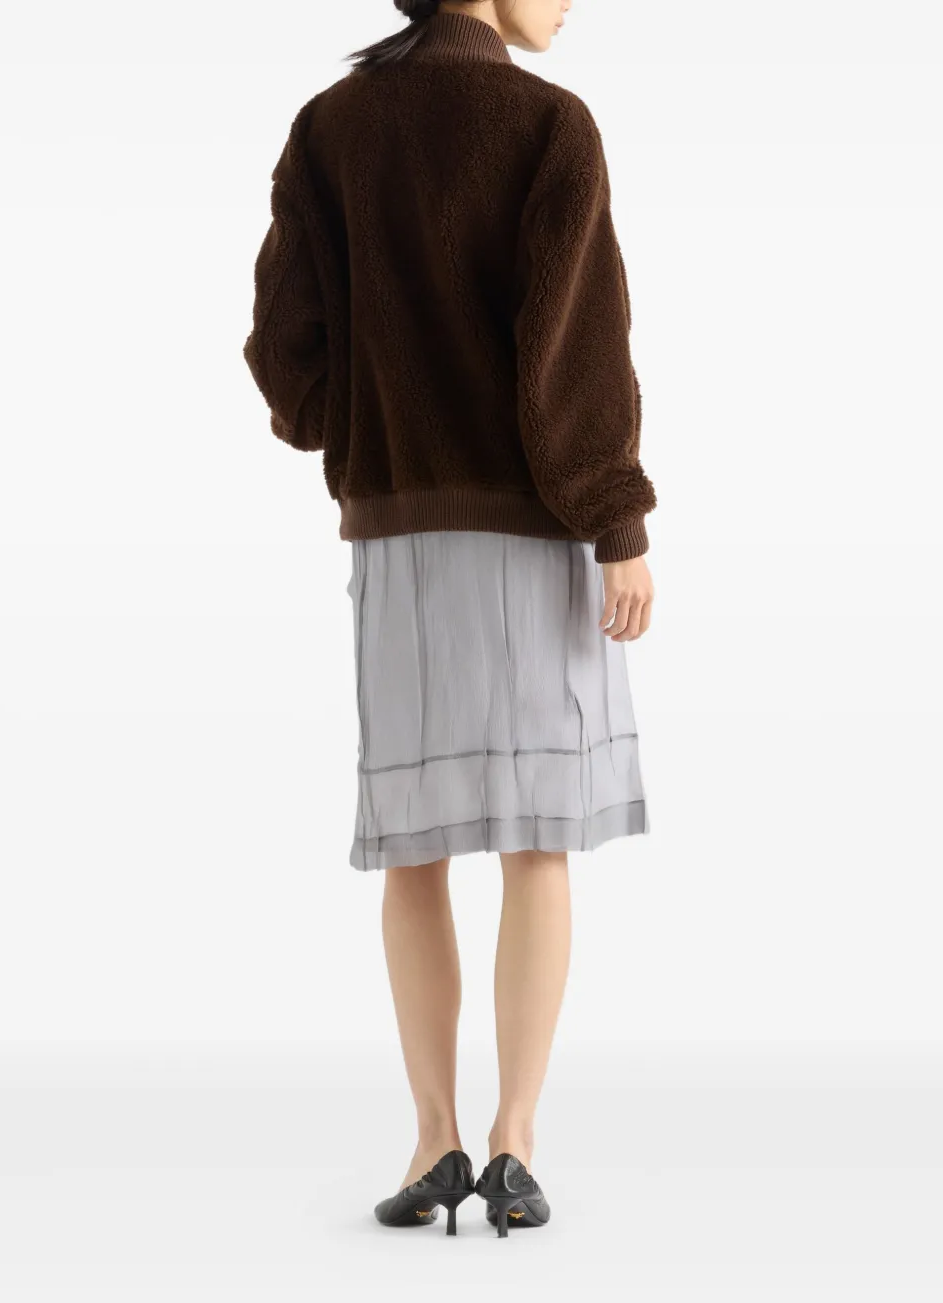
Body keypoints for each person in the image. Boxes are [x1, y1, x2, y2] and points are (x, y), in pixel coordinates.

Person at [242, 0, 658, 1238]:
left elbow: (284, 348)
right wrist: (617, 517)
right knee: (538, 841)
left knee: (413, 845)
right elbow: (575, 350)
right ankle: (515, 1140)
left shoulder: (329, 127)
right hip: (533, 529)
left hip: (397, 531)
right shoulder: (547, 124)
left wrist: (366, 427)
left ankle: (434, 1137)